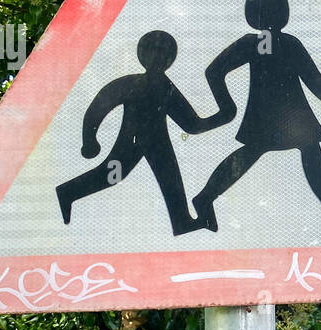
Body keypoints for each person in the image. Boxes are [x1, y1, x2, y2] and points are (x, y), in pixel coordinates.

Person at [191, 0, 321, 231]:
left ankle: (205, 198)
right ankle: (205, 197)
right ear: (283, 12)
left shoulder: (256, 42)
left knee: (291, 151)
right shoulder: (286, 43)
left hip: (275, 114)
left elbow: (214, 72)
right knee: (289, 150)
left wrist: (226, 106)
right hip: (287, 114)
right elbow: (318, 86)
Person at [56, 29, 210, 235]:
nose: (158, 57)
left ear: (169, 59)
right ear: (143, 55)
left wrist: (224, 116)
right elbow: (99, 106)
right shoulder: (133, 83)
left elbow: (191, 123)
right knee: (111, 175)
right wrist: (89, 139)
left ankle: (181, 220)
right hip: (132, 140)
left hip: (157, 141)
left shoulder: (166, 86)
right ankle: (67, 192)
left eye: (163, 53)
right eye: (153, 51)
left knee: (169, 177)